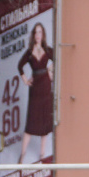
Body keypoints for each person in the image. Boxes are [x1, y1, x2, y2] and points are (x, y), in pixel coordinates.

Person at [17, 22, 55, 165]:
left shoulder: (48, 49)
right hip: (35, 87)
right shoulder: (29, 52)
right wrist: (26, 80)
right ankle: (22, 154)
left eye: (40, 32)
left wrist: (49, 71)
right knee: (31, 119)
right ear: (33, 35)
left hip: (45, 86)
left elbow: (57, 59)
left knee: (45, 117)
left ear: (43, 34)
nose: (38, 35)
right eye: (36, 32)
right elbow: (19, 66)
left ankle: (42, 154)